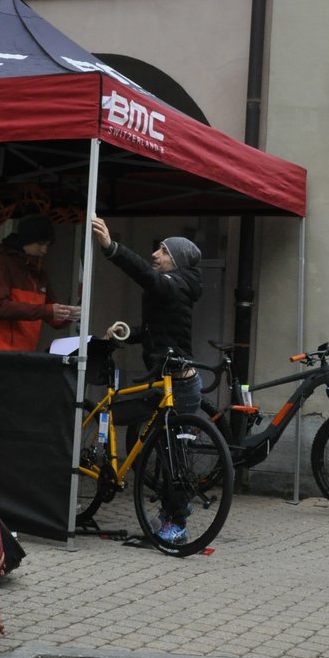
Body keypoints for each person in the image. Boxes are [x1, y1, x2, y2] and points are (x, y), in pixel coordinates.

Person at [89, 216, 203, 544]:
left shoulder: (174, 284)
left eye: (164, 252)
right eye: (158, 250)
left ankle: (177, 524)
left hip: (177, 385)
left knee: (171, 456)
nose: (156, 254)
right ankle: (171, 510)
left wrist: (112, 248)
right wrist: (130, 333)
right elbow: (157, 331)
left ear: (176, 261)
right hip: (163, 378)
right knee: (153, 447)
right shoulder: (172, 286)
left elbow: (145, 274)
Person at [0, 215, 80, 350]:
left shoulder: (39, 273)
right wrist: (48, 311)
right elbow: (0, 307)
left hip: (24, 354)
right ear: (26, 239)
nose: (44, 250)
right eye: (41, 243)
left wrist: (69, 315)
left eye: (47, 245)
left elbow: (51, 314)